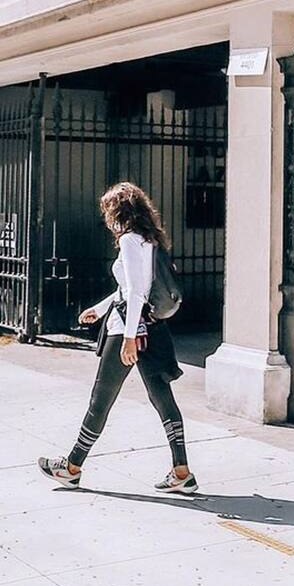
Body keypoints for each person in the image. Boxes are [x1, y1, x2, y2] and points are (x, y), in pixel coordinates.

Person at [38, 182, 197, 493]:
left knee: (101, 399)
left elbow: (135, 292)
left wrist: (128, 336)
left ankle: (71, 467)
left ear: (120, 211)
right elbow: (131, 289)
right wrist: (98, 309)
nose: (106, 216)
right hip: (152, 328)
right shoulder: (151, 240)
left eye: (107, 209)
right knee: (162, 398)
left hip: (129, 328)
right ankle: (182, 471)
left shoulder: (129, 240)